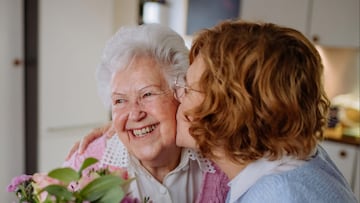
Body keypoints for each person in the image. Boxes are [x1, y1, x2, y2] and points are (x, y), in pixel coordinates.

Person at [174, 20, 357, 203]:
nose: (178, 97)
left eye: (189, 89)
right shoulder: (300, 161)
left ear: (232, 110)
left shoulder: (277, 195)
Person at [63, 23, 229, 203]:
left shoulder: (220, 158)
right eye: (120, 101)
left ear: (181, 92)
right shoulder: (87, 164)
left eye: (148, 94)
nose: (134, 114)